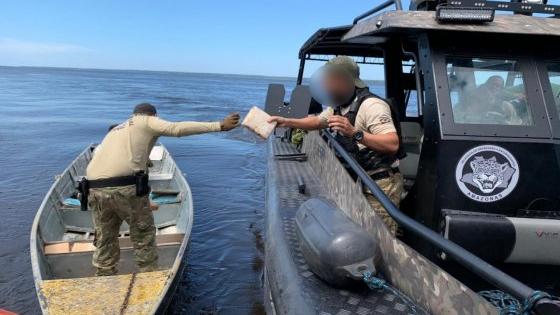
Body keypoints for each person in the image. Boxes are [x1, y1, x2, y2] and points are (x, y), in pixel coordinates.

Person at [85, 103, 240, 276]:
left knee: (105, 236)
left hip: (94, 189)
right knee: (143, 234)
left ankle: (104, 275)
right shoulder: (145, 121)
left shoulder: (117, 129)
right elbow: (176, 128)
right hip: (124, 188)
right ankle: (148, 276)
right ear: (154, 115)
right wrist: (219, 125)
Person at [268, 56, 404, 235]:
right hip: (357, 179)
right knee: (358, 232)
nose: (326, 85)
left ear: (345, 80)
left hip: (380, 184)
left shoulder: (372, 106)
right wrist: (286, 121)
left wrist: (354, 133)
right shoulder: (340, 104)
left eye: (330, 80)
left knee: (379, 236)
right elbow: (318, 122)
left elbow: (392, 144)